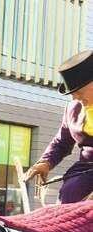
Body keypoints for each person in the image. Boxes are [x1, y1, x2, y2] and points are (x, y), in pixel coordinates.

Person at [25, 50, 93, 203]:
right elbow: (61, 142)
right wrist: (46, 162)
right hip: (85, 170)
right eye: (72, 93)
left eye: (78, 91)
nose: (74, 97)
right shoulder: (73, 108)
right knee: (69, 194)